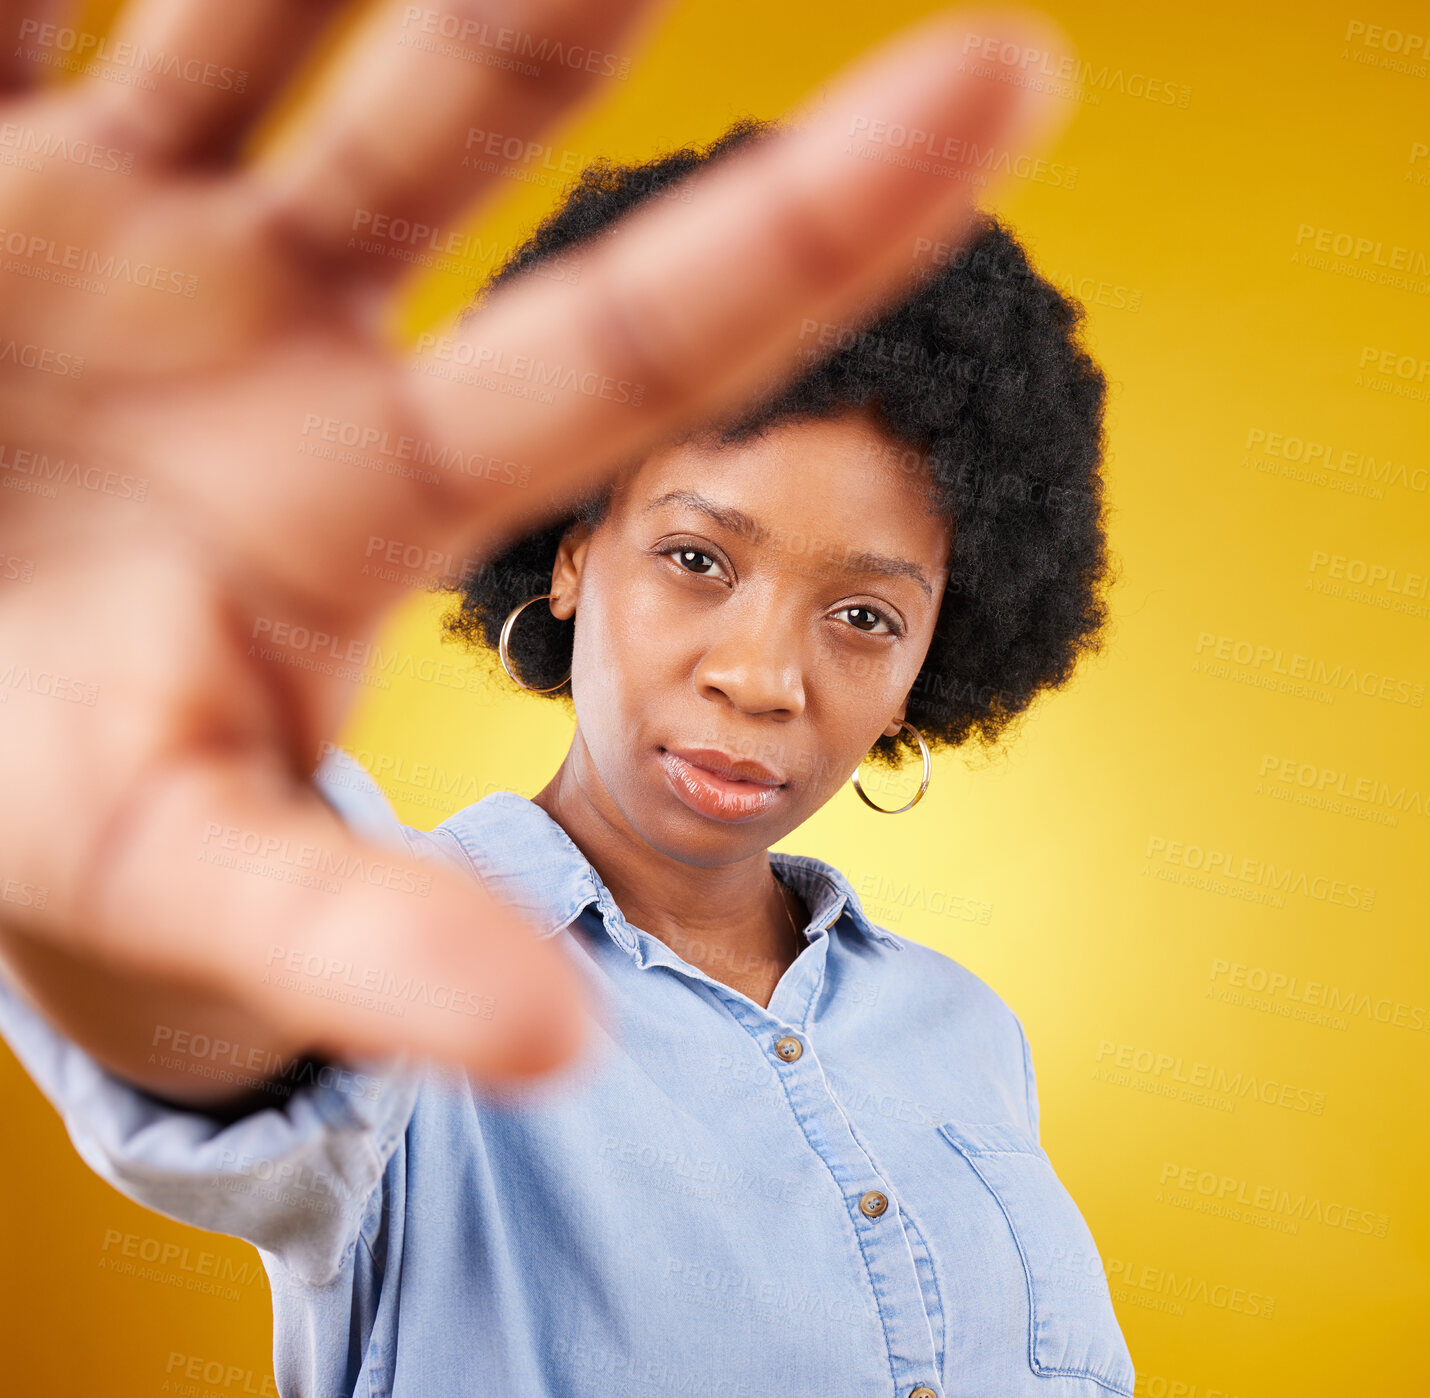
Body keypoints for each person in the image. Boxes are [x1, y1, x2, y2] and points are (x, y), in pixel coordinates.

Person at [0, 2, 1134, 1395]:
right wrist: (84, 716)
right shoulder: (386, 957)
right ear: (572, 548)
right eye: (695, 557)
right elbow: (227, 1011)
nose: (761, 675)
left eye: (862, 614)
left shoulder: (962, 1031)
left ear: (935, 657)